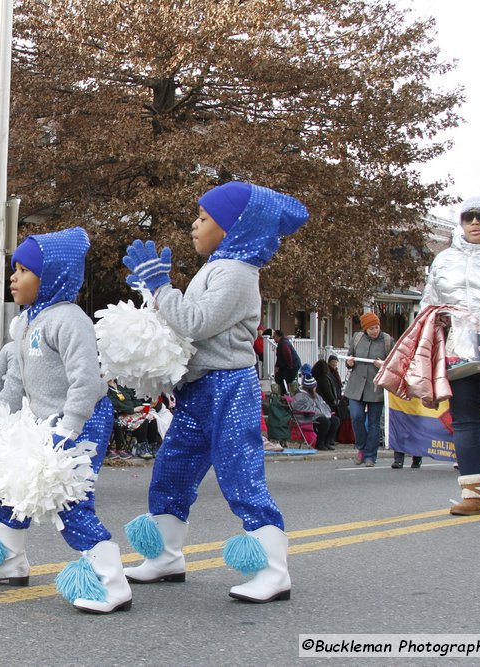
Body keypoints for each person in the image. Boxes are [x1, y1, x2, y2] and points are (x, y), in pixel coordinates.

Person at [121, 181, 308, 604]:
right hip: (199, 388)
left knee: (240, 475)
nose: (194, 224)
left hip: (228, 386)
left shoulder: (237, 273)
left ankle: (273, 570)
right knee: (172, 471)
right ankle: (165, 556)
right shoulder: (220, 267)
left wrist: (161, 287)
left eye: (204, 218)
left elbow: (195, 323)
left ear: (232, 227)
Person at [0, 227, 130, 615]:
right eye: (14, 269)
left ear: (51, 274)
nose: (13, 277)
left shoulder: (69, 320)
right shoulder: (24, 323)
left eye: (23, 270)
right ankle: (7, 558)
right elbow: (17, 379)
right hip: (40, 422)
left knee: (68, 500)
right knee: (6, 486)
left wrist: (69, 430)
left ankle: (110, 580)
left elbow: (86, 381)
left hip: (81, 421)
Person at [419, 192, 480, 513]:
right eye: (468, 217)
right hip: (461, 355)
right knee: (465, 423)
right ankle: (472, 495)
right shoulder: (444, 260)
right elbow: (429, 308)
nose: (475, 223)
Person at [344, 311, 394, 467]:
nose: (375, 330)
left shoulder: (387, 341)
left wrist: (383, 365)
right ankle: (361, 448)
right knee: (356, 417)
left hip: (375, 387)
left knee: (374, 422)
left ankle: (370, 456)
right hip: (356, 386)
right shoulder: (357, 339)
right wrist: (349, 363)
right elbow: (349, 358)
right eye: (371, 328)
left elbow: (394, 364)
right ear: (365, 329)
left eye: (377, 327)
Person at [290, 365, 339, 451]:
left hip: (316, 415)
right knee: (325, 422)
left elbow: (323, 404)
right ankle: (319, 443)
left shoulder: (315, 395)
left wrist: (326, 412)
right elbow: (299, 408)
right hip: (306, 417)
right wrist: (317, 411)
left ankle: (327, 442)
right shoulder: (300, 396)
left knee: (335, 420)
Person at [107, 380, 160, 459]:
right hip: (119, 415)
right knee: (143, 420)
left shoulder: (121, 387)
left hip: (133, 413)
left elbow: (133, 399)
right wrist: (132, 409)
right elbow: (115, 404)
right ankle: (141, 447)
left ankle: (152, 446)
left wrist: (141, 406)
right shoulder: (106, 390)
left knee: (151, 418)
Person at [271, 329, 299, 395]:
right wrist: (277, 366)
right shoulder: (282, 343)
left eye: (274, 336)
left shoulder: (284, 344)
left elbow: (288, 356)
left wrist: (290, 367)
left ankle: (293, 397)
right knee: (278, 377)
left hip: (292, 366)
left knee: (289, 382)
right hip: (286, 366)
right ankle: (284, 395)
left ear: (278, 336)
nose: (273, 338)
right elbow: (280, 357)